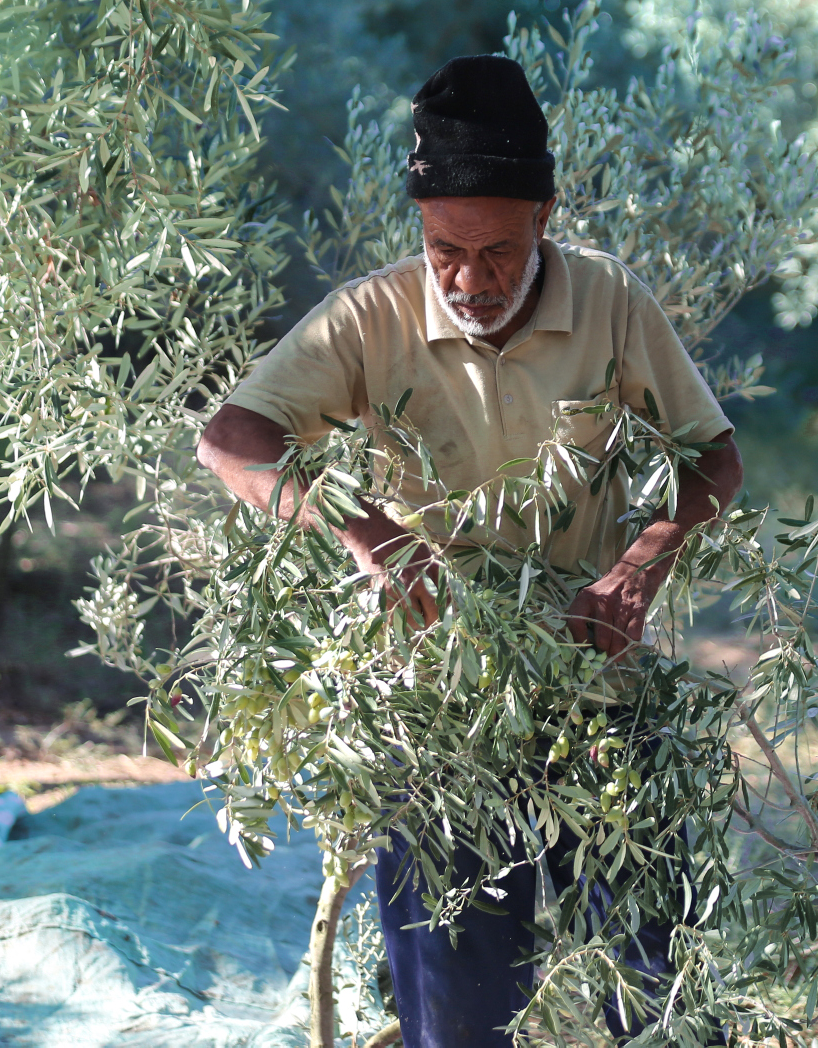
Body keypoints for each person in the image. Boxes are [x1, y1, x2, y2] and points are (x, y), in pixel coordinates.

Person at [196, 54, 742, 1047]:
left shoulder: (610, 301)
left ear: (545, 216)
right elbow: (232, 439)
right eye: (444, 248)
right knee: (457, 1003)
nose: (468, 279)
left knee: (650, 985)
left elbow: (713, 456)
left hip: (595, 683)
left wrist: (638, 565)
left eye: (497, 251)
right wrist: (367, 534)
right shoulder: (371, 316)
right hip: (438, 703)